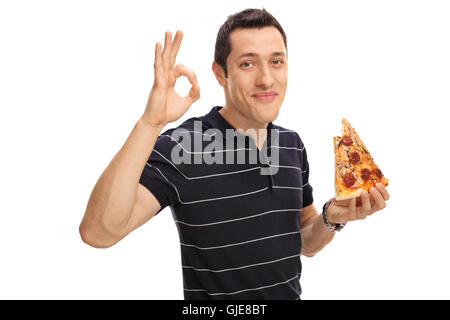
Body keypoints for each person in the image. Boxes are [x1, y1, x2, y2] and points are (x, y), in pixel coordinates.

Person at [79, 8, 390, 300]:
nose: (266, 79)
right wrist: (150, 123)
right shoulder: (186, 146)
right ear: (219, 74)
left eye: (277, 61)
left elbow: (305, 243)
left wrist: (331, 217)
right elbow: (99, 233)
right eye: (247, 63)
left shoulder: (291, 145)